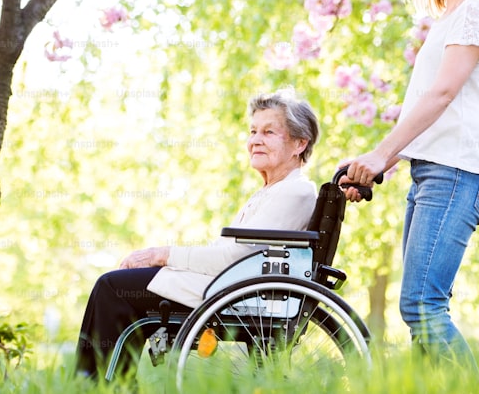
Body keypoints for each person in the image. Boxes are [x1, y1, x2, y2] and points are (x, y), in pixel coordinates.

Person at [341, 0, 479, 372]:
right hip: (435, 170)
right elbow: (436, 107)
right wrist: (385, 165)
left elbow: (442, 94)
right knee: (421, 314)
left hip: (460, 172)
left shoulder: (477, 11)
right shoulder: (452, 16)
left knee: (421, 305)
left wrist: (380, 154)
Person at [75, 89, 320, 380]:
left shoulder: (295, 190)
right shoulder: (272, 191)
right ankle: (110, 384)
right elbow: (235, 254)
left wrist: (165, 255)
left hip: (235, 292)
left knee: (113, 288)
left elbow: (235, 256)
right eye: (253, 131)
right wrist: (168, 260)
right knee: (118, 287)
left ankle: (93, 385)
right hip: (232, 286)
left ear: (299, 143)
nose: (255, 140)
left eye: (269, 132)